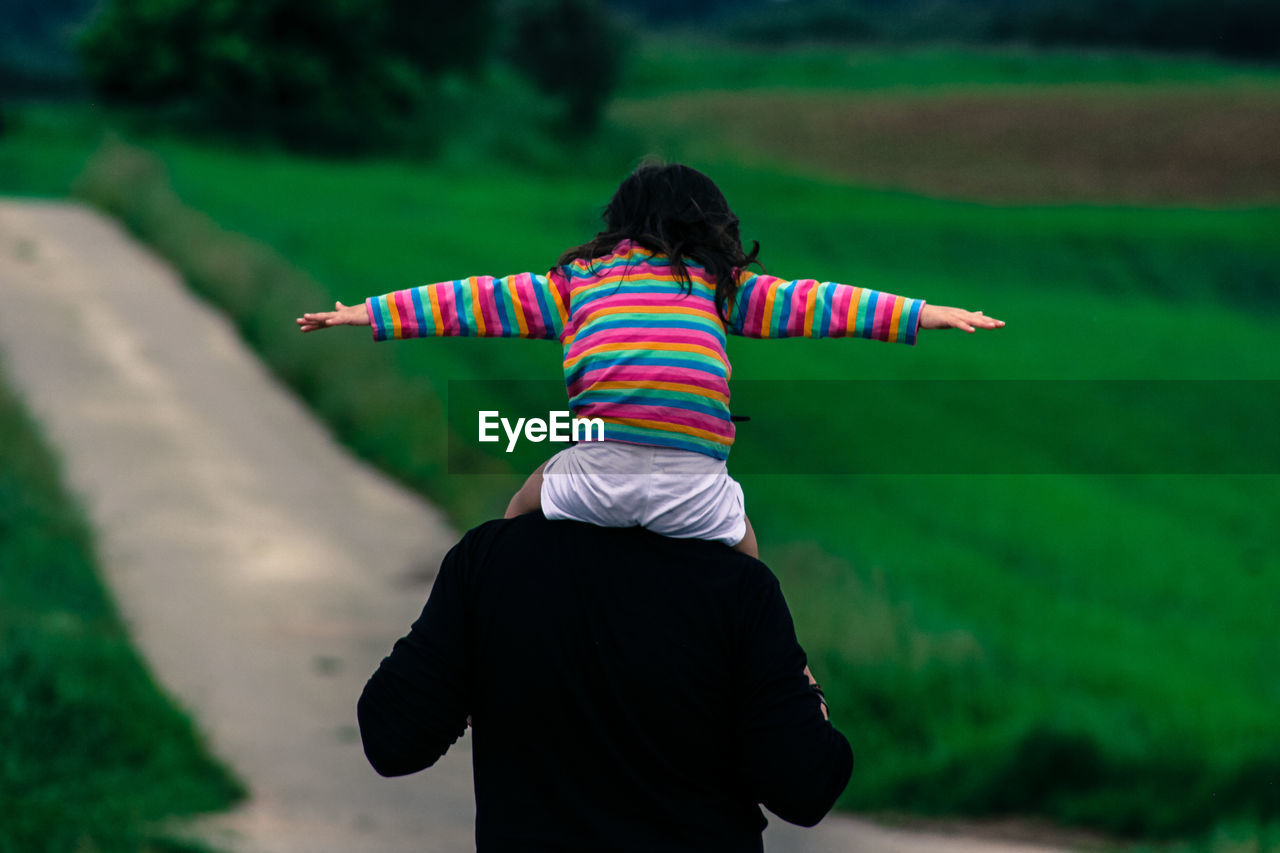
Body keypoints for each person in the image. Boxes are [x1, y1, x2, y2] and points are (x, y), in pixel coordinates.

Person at [298, 162, 1003, 557]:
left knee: (515, 518)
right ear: (712, 225)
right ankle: (795, 677)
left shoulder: (575, 282)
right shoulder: (722, 287)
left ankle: (486, 620)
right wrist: (925, 314)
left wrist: (366, 313)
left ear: (617, 224)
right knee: (750, 570)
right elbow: (825, 304)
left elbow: (467, 300)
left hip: (596, 471)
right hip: (696, 487)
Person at [357, 512, 854, 852]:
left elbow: (391, 738)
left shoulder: (490, 561)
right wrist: (803, 685)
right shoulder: (739, 590)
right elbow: (805, 786)